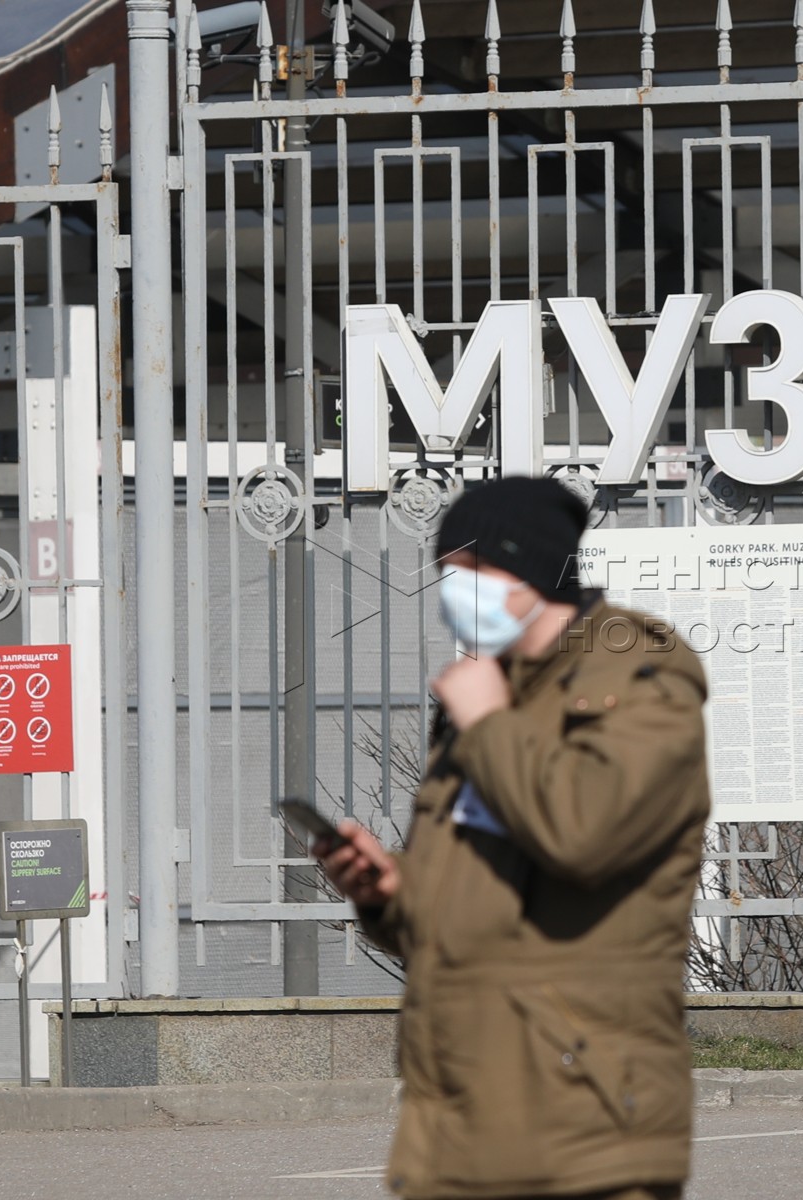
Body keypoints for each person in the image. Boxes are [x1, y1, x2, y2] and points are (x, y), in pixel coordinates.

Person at [315, 475, 711, 1200]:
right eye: (446, 572)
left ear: (527, 567)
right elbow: (472, 907)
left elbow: (584, 835)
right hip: (461, 1122)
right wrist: (390, 890)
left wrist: (490, 725)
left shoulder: (636, 674)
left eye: (470, 569)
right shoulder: (491, 691)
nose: (452, 591)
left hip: (583, 1123)